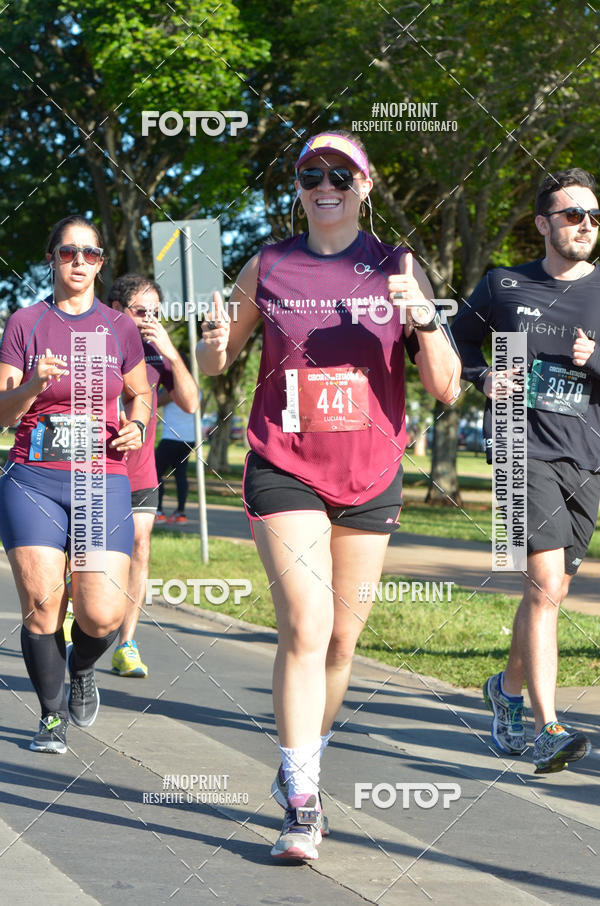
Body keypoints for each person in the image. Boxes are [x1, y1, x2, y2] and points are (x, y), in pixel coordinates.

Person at [196, 131, 460, 860]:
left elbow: (445, 387)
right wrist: (212, 338)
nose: (325, 184)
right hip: (286, 464)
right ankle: (303, 800)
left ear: (365, 186)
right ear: (300, 187)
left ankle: (300, 757)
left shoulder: (398, 267)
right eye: (312, 173)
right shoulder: (268, 263)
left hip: (370, 472)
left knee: (343, 640)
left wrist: (427, 319)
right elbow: (219, 360)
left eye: (341, 174)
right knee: (307, 629)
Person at [452, 168, 600, 773]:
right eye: (573, 215)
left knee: (554, 589)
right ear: (544, 224)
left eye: (593, 216)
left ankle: (505, 691)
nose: (586, 225)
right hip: (519, 446)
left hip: (587, 456)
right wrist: (482, 375)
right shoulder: (504, 285)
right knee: (542, 586)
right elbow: (451, 340)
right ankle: (550, 726)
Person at [0, 215, 151, 753]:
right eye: (69, 253)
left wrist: (137, 425)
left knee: (101, 613)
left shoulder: (119, 327)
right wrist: (35, 384)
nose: (79, 262)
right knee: (43, 604)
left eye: (90, 253)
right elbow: (1, 412)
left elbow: (141, 393)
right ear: (53, 259)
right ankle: (49, 717)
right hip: (34, 479)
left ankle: (82, 665)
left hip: (101, 478)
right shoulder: (24, 322)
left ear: (102, 261)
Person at [108, 275, 199, 677]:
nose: (148, 320)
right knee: (79, 551)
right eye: (140, 311)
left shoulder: (157, 355)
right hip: (93, 467)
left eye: (155, 313)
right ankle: (75, 617)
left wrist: (171, 352)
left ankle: (126, 643)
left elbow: (191, 402)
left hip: (141, 471)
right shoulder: (95, 341)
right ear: (116, 308)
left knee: (140, 547)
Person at [155, 385, 203, 524]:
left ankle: (159, 511)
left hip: (171, 437)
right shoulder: (198, 391)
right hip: (188, 438)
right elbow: (201, 413)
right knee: (180, 475)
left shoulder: (174, 388)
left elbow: (154, 401)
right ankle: (180, 513)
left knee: (156, 472)